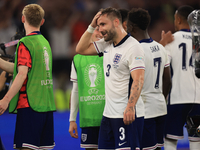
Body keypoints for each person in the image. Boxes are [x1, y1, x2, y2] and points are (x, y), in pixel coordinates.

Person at [76, 7, 145, 150]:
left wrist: (131, 107)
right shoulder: (106, 44)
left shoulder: (133, 47)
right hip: (108, 116)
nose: (100, 29)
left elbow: (138, 80)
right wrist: (91, 26)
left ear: (115, 22)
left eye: (103, 24)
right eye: (98, 25)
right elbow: (80, 49)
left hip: (127, 115)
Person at [0, 4, 56, 150]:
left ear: (23, 18)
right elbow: (22, 69)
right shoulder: (45, 43)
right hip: (46, 106)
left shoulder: (25, 43)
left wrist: (6, 99)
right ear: (42, 21)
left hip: (30, 106)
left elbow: (22, 74)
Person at [127, 8, 172, 150]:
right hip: (160, 107)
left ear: (132, 27)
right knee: (158, 147)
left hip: (144, 110)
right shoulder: (160, 47)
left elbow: (132, 82)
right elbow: (168, 80)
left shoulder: (135, 50)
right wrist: (161, 98)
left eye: (128, 26)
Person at [163, 5, 200, 150]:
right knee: (196, 141)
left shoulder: (171, 39)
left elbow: (163, 70)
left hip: (177, 99)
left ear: (178, 19)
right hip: (197, 100)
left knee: (170, 140)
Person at [69, 28, 105, 150]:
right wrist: (72, 119)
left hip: (109, 116)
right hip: (88, 118)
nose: (100, 33)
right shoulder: (77, 58)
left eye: (103, 31)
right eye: (97, 30)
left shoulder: (109, 53)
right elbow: (75, 90)